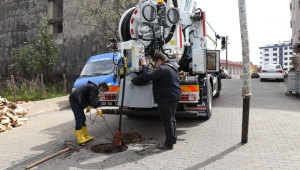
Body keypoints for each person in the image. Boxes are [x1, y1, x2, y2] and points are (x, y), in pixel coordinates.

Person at [140, 52, 181, 150]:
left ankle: (168, 144)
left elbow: (147, 77)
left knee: (167, 121)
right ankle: (173, 139)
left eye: (154, 63)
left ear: (159, 61)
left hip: (166, 98)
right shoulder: (173, 66)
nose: (154, 65)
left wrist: (144, 65)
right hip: (175, 97)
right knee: (172, 119)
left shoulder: (162, 68)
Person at [69, 81, 109, 145]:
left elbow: (87, 96)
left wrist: (87, 106)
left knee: (83, 119)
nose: (103, 92)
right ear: (101, 87)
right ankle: (80, 139)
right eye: (103, 90)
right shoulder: (95, 88)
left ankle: (85, 135)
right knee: (79, 118)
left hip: (78, 100)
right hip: (75, 100)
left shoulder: (93, 87)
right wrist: (97, 108)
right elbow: (92, 98)